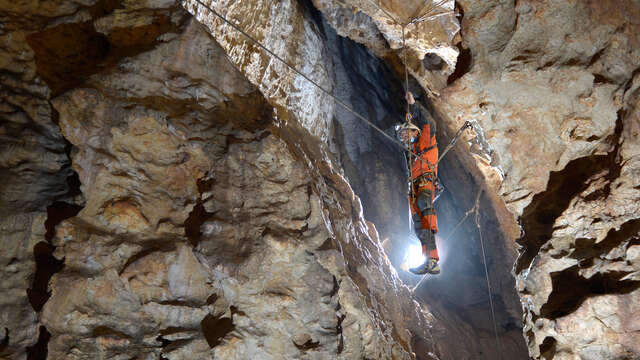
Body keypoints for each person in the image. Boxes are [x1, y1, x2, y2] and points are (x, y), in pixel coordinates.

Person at [397, 97, 440, 275]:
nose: (405, 137)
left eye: (407, 133)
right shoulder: (411, 155)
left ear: (416, 132)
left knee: (424, 204)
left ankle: (433, 259)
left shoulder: (426, 141)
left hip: (425, 180)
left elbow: (429, 122)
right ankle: (428, 260)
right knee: (417, 223)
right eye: (402, 136)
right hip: (413, 188)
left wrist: (414, 104)